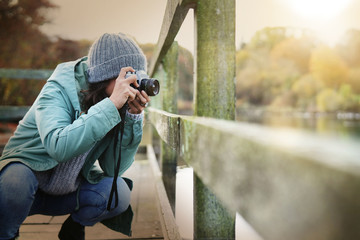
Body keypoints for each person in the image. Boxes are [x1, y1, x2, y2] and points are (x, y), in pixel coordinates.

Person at [0, 32, 151, 240]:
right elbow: (58, 146)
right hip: (24, 185)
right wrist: (110, 105)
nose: (133, 85)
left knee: (119, 193)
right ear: (105, 76)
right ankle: (6, 233)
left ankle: (74, 226)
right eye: (129, 77)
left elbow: (113, 167)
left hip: (68, 190)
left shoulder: (115, 101)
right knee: (15, 181)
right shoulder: (58, 88)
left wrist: (133, 119)